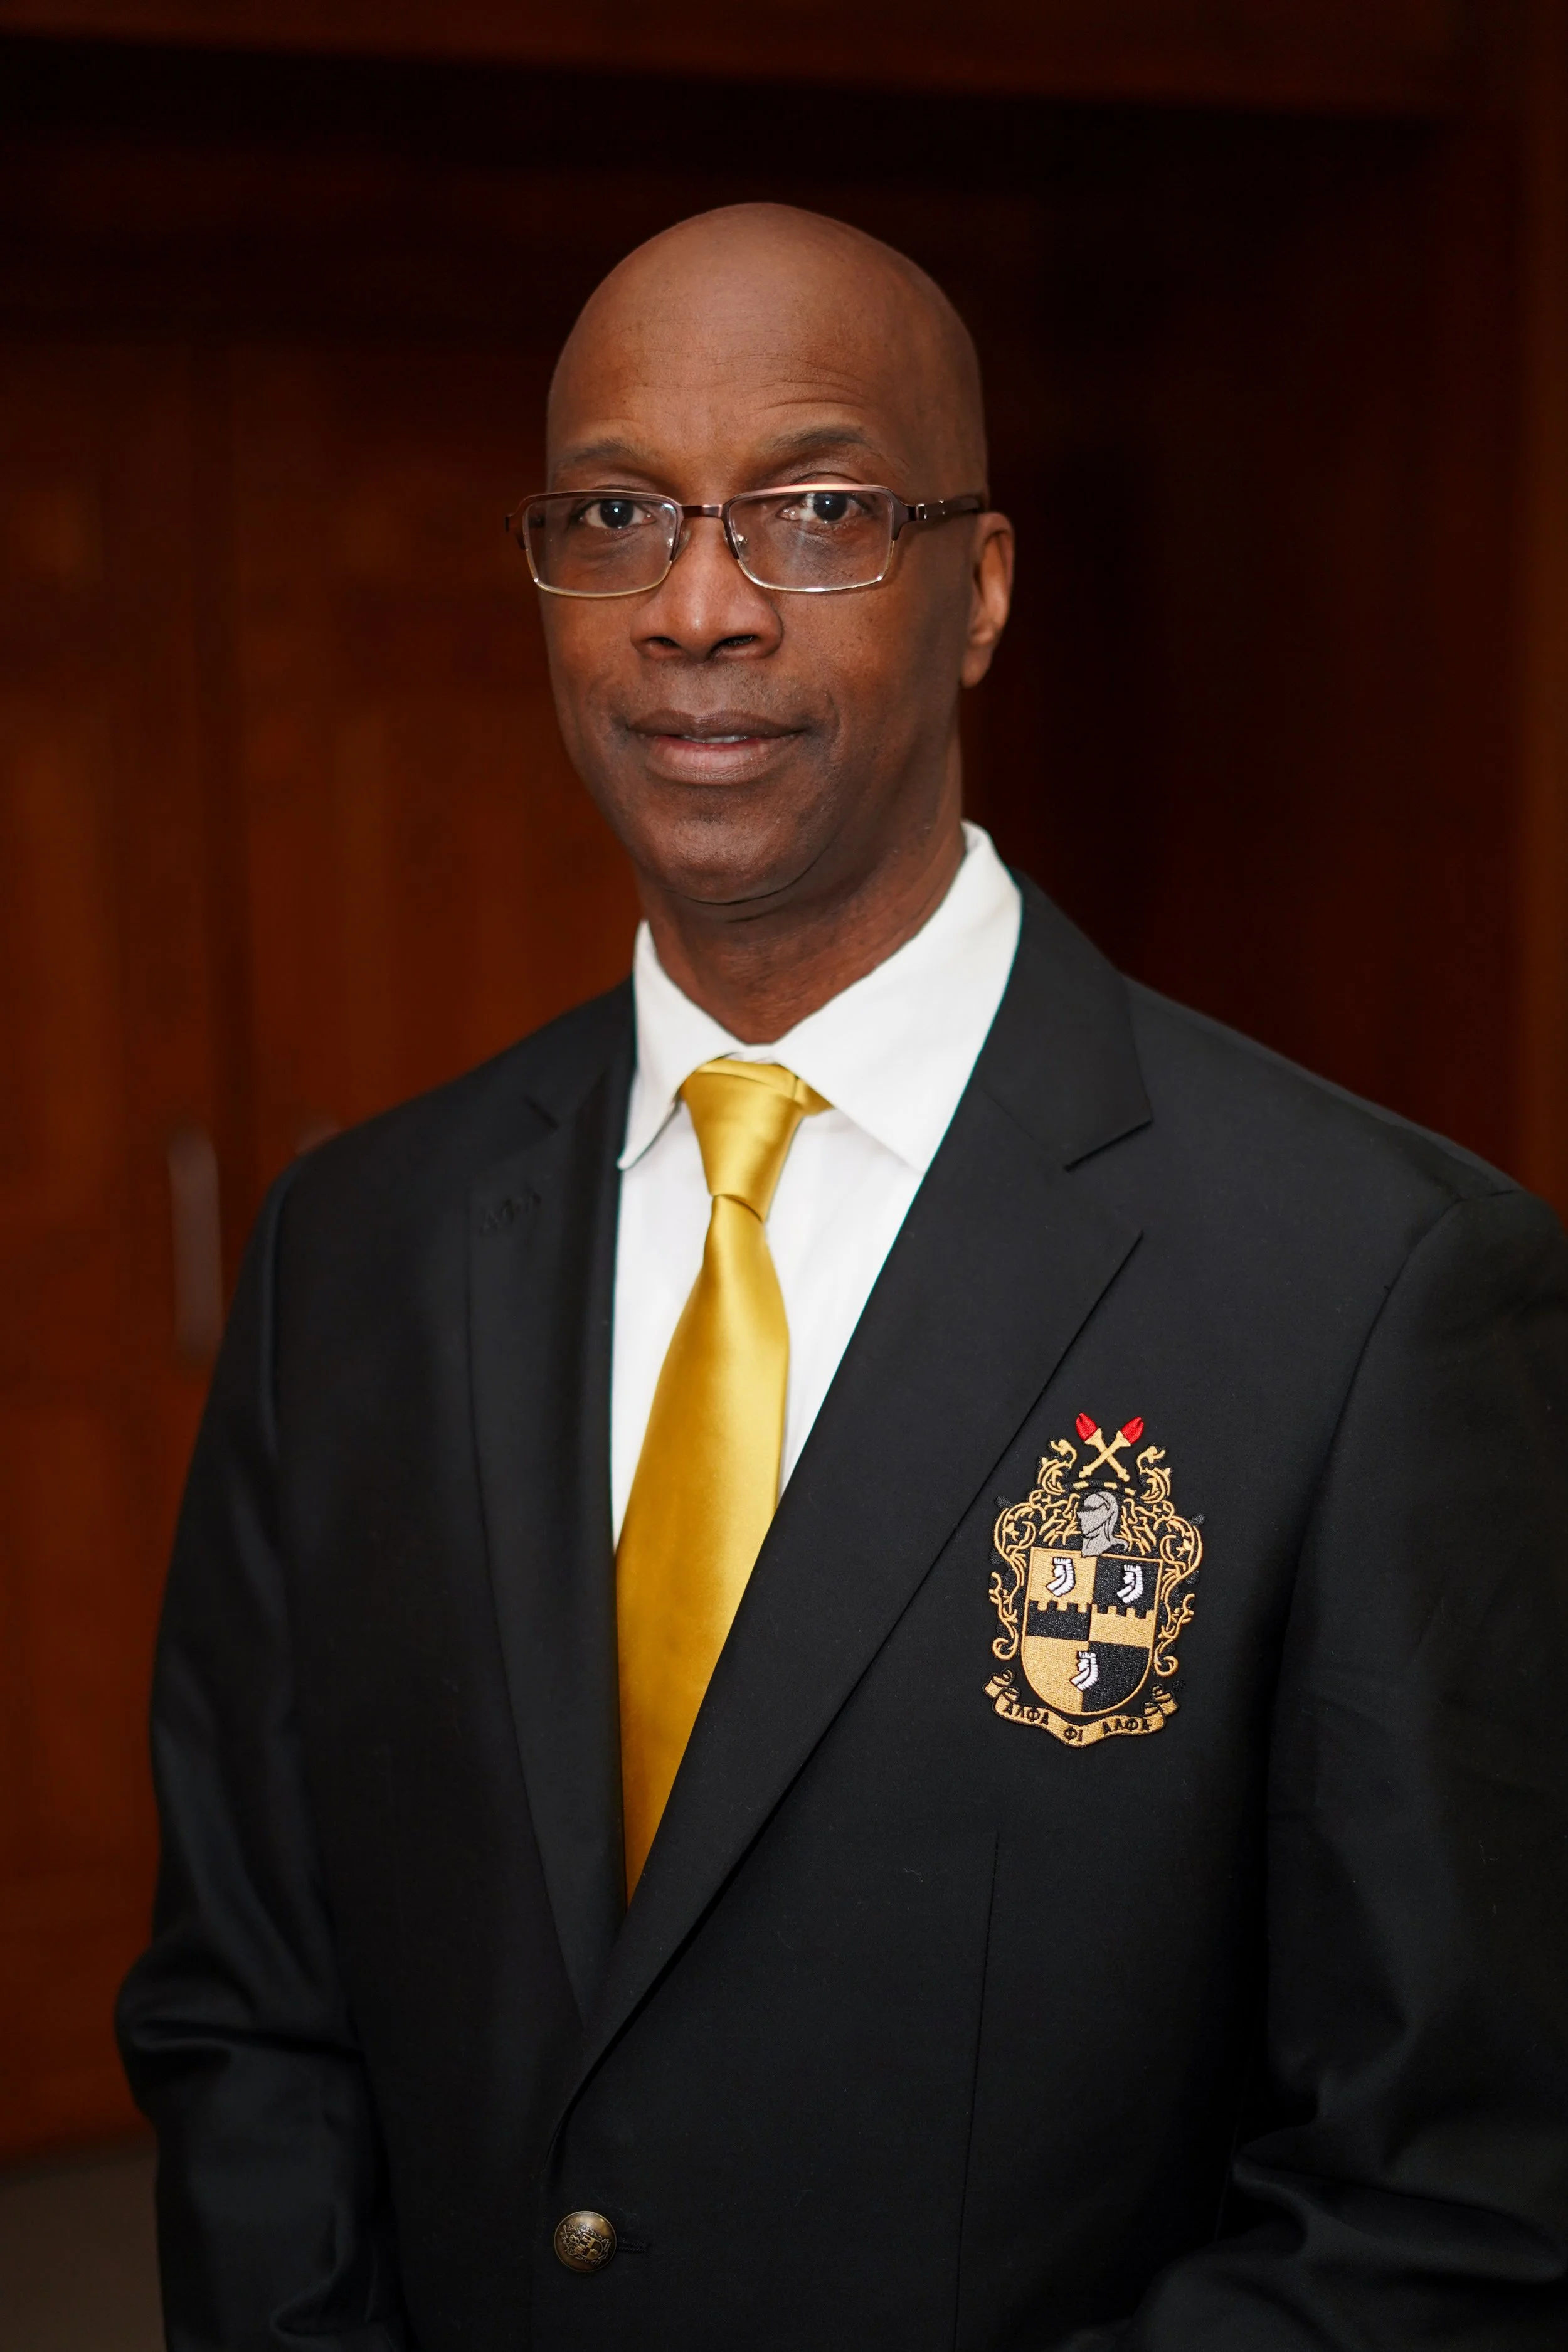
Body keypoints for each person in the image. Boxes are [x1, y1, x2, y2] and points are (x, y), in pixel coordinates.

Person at [118, 203, 1568, 2351]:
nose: (696, 606)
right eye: (616, 513)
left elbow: (1444, 2199)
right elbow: (251, 2018)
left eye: (813, 511)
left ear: (978, 590)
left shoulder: (1374, 1289)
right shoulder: (357, 1254)